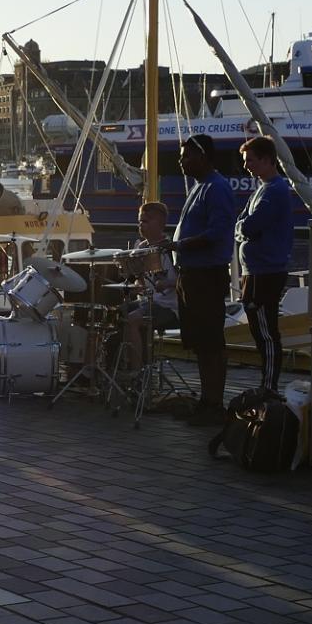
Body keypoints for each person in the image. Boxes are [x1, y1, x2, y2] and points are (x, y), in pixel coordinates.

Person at [166, 133, 237, 423]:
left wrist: (180, 245)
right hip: (191, 274)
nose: (181, 161)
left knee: (210, 342)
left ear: (203, 156)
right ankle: (206, 401)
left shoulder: (217, 188)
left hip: (206, 275)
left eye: (186, 156)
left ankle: (214, 405)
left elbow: (219, 232)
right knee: (199, 342)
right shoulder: (199, 187)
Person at [236, 136, 297, 391]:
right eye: (245, 161)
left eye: (250, 160)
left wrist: (241, 228)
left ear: (267, 160)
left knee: (267, 332)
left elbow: (248, 225)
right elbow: (242, 224)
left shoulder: (274, 190)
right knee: (257, 327)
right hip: (255, 271)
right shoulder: (260, 190)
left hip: (266, 271)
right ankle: (266, 383)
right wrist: (242, 228)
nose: (246, 166)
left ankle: (269, 386)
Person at [120, 200, 178, 373]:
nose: (141, 225)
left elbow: (186, 281)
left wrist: (167, 283)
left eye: (146, 221)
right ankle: (119, 364)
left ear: (160, 224)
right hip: (147, 302)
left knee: (133, 319)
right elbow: (140, 281)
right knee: (115, 313)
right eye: (140, 221)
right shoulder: (140, 248)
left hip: (169, 307)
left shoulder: (171, 250)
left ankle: (136, 372)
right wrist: (137, 286)